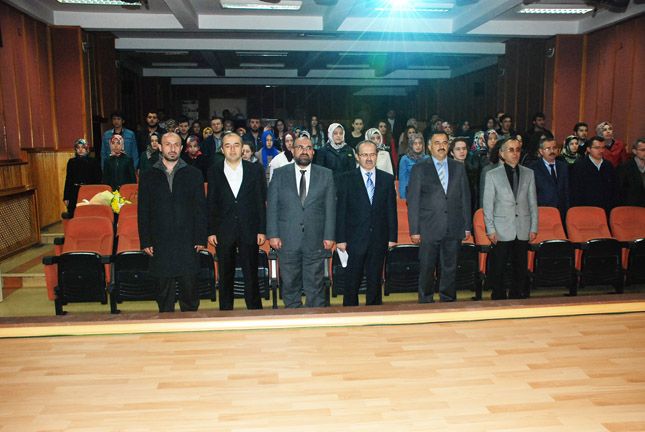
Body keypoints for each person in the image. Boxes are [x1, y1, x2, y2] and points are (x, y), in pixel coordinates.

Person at [138, 132, 207, 312]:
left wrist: (201, 237)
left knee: (190, 295)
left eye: (176, 144)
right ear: (160, 147)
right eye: (168, 144)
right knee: (164, 296)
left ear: (182, 148)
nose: (172, 148)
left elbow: (200, 209)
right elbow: (143, 211)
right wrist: (145, 240)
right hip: (160, 242)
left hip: (188, 242)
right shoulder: (148, 175)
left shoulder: (194, 174)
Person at [267, 136, 336, 308]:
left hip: (316, 239)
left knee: (315, 285)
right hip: (287, 239)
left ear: (313, 152)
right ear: (292, 150)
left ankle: (315, 320)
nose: (304, 151)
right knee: (290, 284)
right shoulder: (280, 174)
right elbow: (272, 206)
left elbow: (330, 207)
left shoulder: (326, 174)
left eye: (308, 148)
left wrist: (329, 235)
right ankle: (293, 317)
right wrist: (273, 234)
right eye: (300, 147)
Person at [408, 132, 472, 303]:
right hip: (428, 227)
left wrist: (467, 226)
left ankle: (448, 300)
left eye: (444, 142)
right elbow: (413, 201)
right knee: (427, 267)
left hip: (453, 225)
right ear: (429, 146)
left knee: (450, 268)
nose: (441, 146)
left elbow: (465, 198)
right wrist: (414, 230)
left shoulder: (458, 167)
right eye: (437, 143)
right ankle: (426, 300)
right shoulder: (419, 168)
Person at [207, 132, 267, 310]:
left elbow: (260, 202)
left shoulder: (255, 170)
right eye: (228, 145)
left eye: (236, 145)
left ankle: (255, 310)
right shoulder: (214, 170)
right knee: (225, 274)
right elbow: (211, 202)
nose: (232, 149)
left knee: (251, 273)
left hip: (249, 229)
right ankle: (225, 311)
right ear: (222, 149)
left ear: (242, 148)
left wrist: (261, 229)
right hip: (224, 230)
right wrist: (211, 230)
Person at [336, 140, 397, 306]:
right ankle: (349, 312)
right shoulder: (345, 179)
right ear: (357, 156)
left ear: (377, 156)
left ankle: (374, 312)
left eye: (372, 154)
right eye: (364, 155)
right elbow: (341, 211)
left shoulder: (387, 179)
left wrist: (392, 237)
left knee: (375, 280)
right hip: (354, 239)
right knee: (352, 280)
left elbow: (391, 210)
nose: (369, 158)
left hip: (379, 238)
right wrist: (340, 239)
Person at [483, 138, 538, 300]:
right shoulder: (492, 175)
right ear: (502, 153)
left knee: (520, 266)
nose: (515, 153)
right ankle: (498, 295)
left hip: (522, 226)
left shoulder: (529, 173)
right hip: (501, 228)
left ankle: (517, 295)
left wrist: (534, 227)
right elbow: (488, 205)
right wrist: (490, 229)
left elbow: (533, 202)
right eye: (511, 150)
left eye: (517, 150)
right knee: (499, 265)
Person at [570, 135, 619, 214]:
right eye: (597, 148)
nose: (601, 151)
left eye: (603, 148)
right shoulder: (579, 166)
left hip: (606, 209)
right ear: (588, 149)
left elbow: (614, 189)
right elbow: (575, 191)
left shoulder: (608, 166)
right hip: (586, 209)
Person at [529, 136, 570, 220]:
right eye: (548, 149)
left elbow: (567, 190)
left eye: (554, 148)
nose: (552, 151)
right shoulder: (533, 168)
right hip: (542, 211)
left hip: (562, 212)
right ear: (541, 151)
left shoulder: (563, 166)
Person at [63, 138, 102, 214]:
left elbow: (98, 180)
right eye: (78, 147)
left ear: (87, 149)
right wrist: (66, 197)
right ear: (75, 149)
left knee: (89, 213)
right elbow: (68, 180)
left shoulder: (93, 161)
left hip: (89, 191)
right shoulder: (71, 162)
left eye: (83, 147)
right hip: (74, 192)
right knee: (74, 213)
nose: (80, 150)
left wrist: (96, 194)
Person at [450, 138, 481, 212]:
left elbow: (475, 194)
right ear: (452, 153)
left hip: (470, 209)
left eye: (464, 148)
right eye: (458, 149)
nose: (462, 151)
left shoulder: (473, 170)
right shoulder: (447, 171)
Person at [398, 133, 428, 200]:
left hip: (425, 194)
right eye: (415, 143)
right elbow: (402, 180)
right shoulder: (404, 159)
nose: (418, 146)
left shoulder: (427, 159)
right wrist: (403, 197)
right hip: (410, 193)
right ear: (411, 145)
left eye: (420, 143)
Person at [617, 138, 645, 206]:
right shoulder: (624, 168)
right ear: (634, 151)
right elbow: (620, 191)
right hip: (631, 207)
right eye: (643, 150)